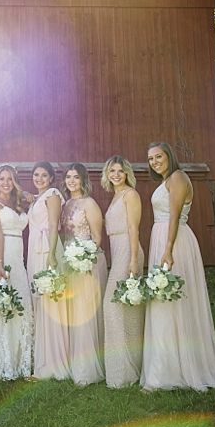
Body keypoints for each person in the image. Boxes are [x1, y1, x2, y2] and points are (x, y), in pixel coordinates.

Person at [140, 142, 215, 391]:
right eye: (151, 158)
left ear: (169, 156)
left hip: (174, 242)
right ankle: (165, 365)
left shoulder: (178, 177)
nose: (154, 162)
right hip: (162, 238)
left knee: (175, 299)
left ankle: (182, 366)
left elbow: (174, 216)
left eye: (159, 156)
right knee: (163, 300)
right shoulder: (166, 180)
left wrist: (167, 249)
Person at [0, 164, 33, 380]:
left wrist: (30, 197)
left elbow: (39, 199)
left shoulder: (17, 201)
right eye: (2, 179)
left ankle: (21, 359)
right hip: (0, 253)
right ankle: (3, 361)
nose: (5, 182)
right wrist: (0, 264)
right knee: (3, 303)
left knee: (20, 300)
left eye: (10, 179)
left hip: (17, 256)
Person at [60, 162, 108, 385]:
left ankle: (87, 369)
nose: (72, 181)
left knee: (85, 311)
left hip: (87, 262)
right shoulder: (66, 204)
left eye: (76, 177)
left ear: (83, 180)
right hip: (69, 261)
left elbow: (97, 238)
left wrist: (83, 258)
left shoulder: (90, 203)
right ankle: (73, 362)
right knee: (73, 312)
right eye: (68, 177)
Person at [100, 155, 144, 388]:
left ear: (127, 173)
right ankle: (126, 369)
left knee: (113, 305)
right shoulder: (116, 196)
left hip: (128, 249)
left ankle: (125, 371)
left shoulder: (130, 195)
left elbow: (133, 228)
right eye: (112, 171)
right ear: (107, 174)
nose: (116, 175)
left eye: (120, 171)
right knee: (124, 309)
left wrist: (134, 259)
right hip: (118, 251)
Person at [27, 161, 70, 381]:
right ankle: (42, 360)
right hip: (34, 250)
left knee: (50, 303)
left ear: (52, 178)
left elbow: (53, 225)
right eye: (36, 174)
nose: (39, 178)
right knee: (39, 303)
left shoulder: (53, 195)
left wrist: (52, 254)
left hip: (46, 249)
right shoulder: (38, 197)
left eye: (44, 175)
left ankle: (53, 364)